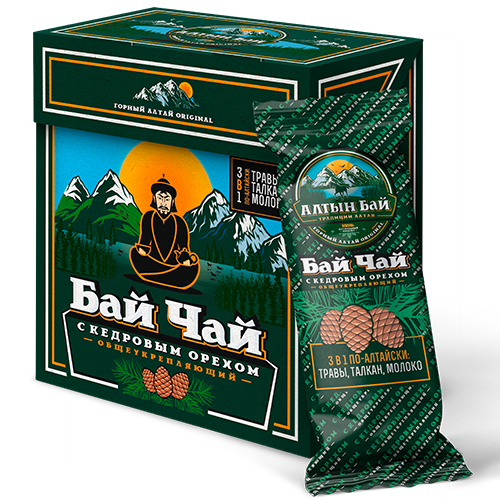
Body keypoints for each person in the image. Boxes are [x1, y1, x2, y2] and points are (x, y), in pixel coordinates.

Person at [129, 177, 200, 289]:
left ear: (172, 202)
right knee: (134, 252)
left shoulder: (180, 222)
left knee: (193, 267)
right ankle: (161, 276)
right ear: (154, 199)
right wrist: (142, 251)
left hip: (173, 266)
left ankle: (162, 276)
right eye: (160, 198)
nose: (163, 203)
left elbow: (184, 248)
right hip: (152, 263)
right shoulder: (148, 217)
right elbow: (144, 242)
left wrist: (185, 259)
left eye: (167, 199)